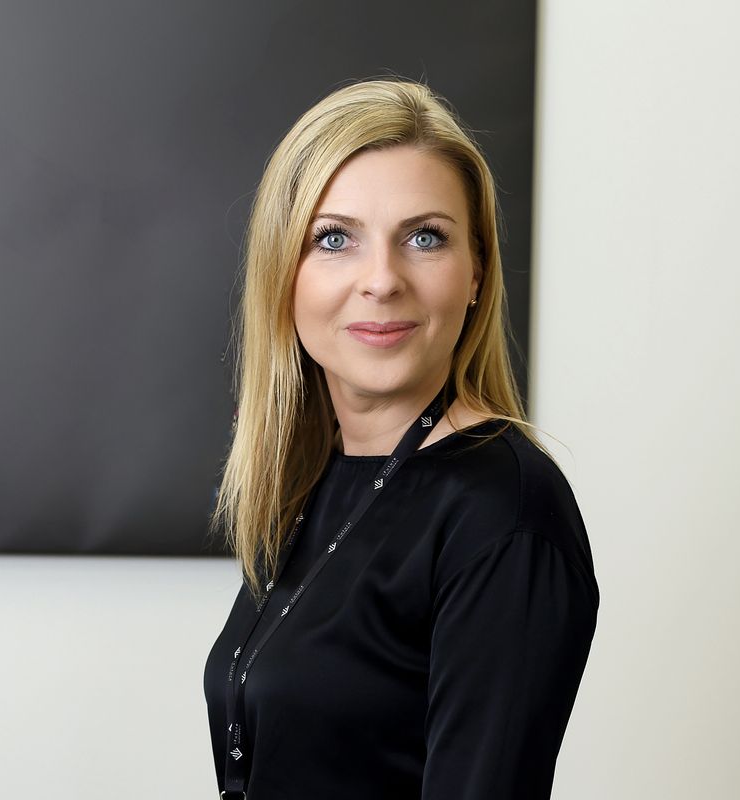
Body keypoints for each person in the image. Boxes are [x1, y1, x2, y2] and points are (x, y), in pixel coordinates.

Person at [203, 78, 599, 799]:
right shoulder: (320, 477)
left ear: (476, 271)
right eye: (334, 239)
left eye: (424, 238)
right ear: (282, 273)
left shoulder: (504, 513)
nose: (382, 281)